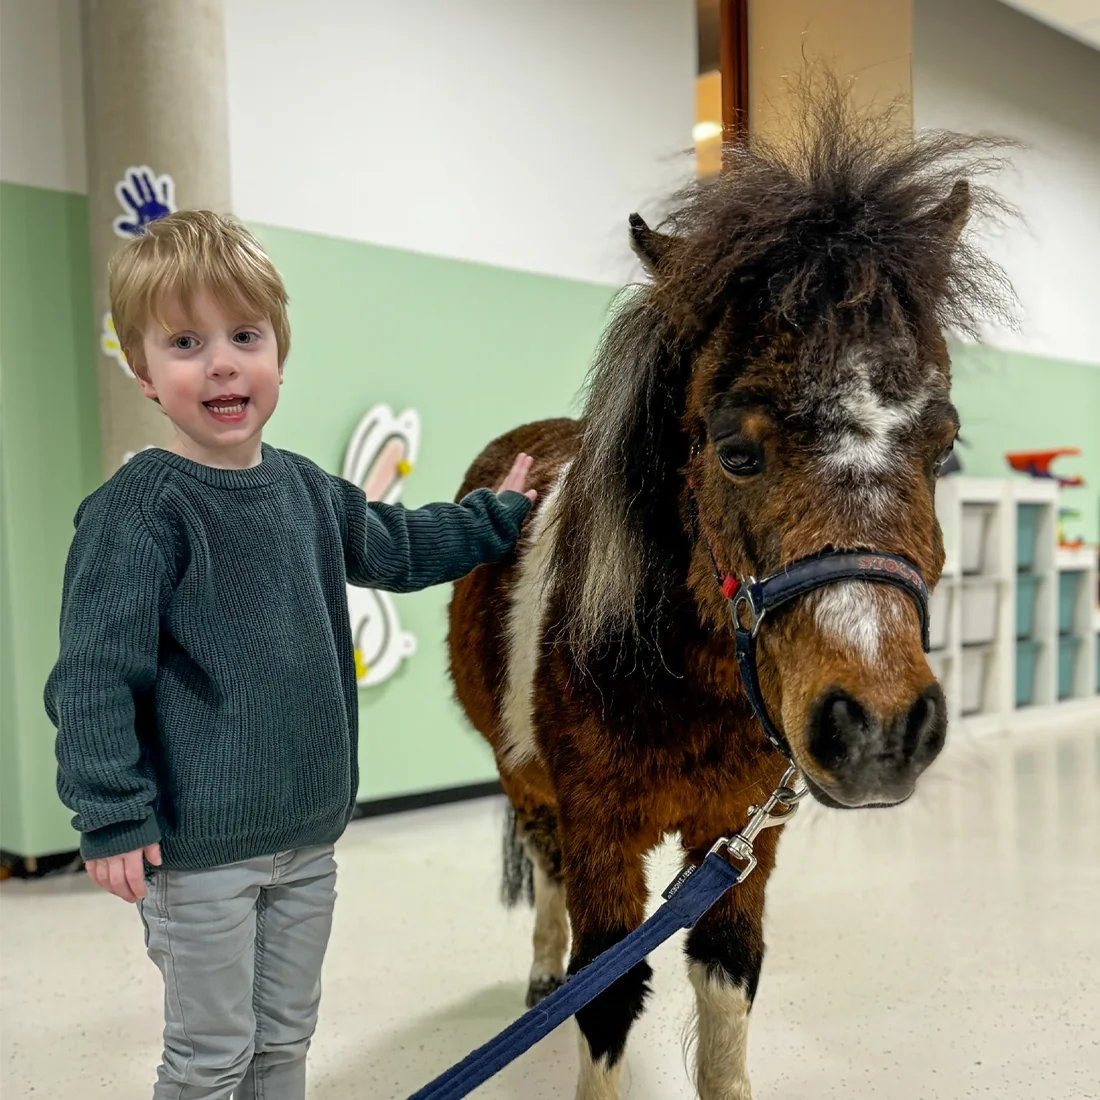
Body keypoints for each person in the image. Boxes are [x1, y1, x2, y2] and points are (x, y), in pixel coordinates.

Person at [44, 209, 536, 1099]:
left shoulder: (307, 490)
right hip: (199, 854)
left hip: (308, 839)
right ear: (141, 370)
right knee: (211, 1057)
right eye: (186, 342)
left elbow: (401, 544)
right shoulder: (140, 511)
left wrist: (493, 517)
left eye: (245, 335)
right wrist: (111, 811)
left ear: (278, 352)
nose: (222, 361)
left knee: (284, 1044)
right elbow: (92, 678)